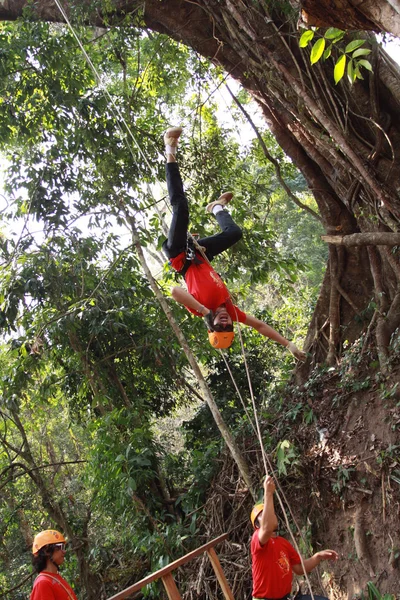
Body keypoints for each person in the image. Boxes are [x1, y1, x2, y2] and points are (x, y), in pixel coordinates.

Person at [162, 126, 306, 356]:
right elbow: (259, 325)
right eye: (228, 326)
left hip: (181, 255)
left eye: (220, 325)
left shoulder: (200, 310)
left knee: (181, 206)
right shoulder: (231, 310)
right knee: (234, 234)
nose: (225, 321)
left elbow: (174, 290)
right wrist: (288, 344)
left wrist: (203, 309)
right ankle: (217, 207)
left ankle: (169, 148)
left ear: (211, 324)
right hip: (200, 254)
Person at [250, 477, 339, 600]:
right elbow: (267, 528)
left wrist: (317, 557)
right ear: (257, 526)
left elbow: (299, 569)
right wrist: (268, 493)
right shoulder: (257, 540)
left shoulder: (283, 543)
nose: (269, 515)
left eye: (268, 512)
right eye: (263, 515)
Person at [30, 529, 77, 600]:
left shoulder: (55, 578)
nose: (64, 551)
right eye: (60, 547)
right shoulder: (43, 583)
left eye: (64, 547)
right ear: (46, 551)